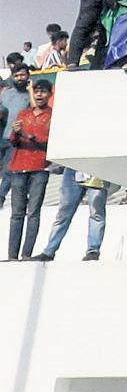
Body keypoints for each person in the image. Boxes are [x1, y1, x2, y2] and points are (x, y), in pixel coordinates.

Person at [6, 79, 56, 261]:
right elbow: (13, 142)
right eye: (37, 91)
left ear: (49, 95)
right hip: (19, 166)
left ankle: (26, 254)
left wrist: (33, 137)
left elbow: (49, 142)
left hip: (39, 167)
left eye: (43, 92)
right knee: (17, 213)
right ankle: (12, 255)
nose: (39, 95)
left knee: (33, 212)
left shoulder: (53, 116)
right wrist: (16, 132)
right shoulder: (23, 113)